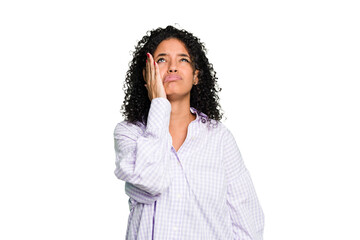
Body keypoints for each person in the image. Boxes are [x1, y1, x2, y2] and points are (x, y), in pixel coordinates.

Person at [113, 25, 264, 240]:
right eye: (162, 60)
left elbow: (247, 221)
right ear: (147, 74)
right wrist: (159, 104)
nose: (173, 67)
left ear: (196, 76)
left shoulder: (219, 138)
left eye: (183, 59)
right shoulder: (129, 133)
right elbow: (151, 181)